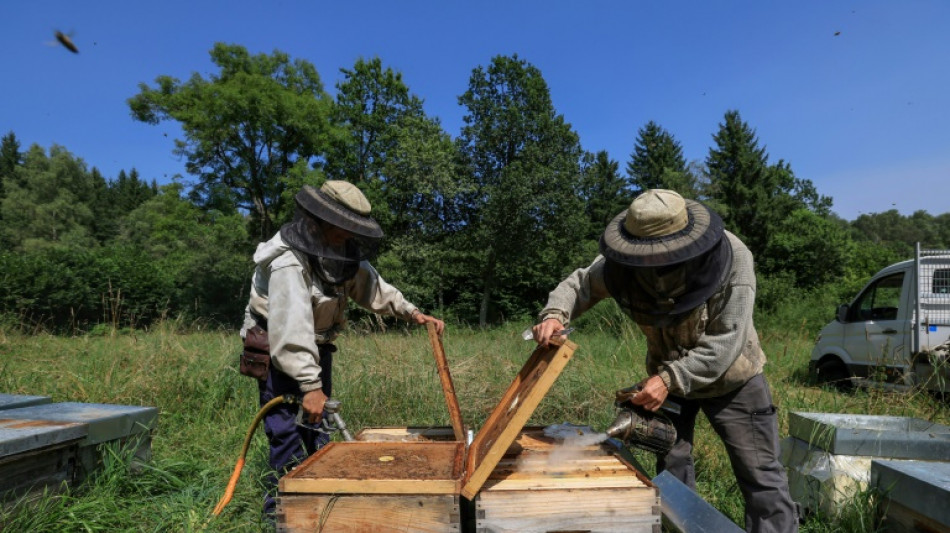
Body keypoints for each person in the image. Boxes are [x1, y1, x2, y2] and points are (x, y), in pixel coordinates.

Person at [532, 189, 797, 533]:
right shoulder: (621, 264)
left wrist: (667, 379)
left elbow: (726, 342)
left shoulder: (734, 257)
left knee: (760, 473)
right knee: (672, 466)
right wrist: (555, 314)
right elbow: (580, 283)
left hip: (733, 381)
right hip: (666, 383)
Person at [240, 180, 445, 519]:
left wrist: (412, 312)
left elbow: (373, 287)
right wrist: (311, 385)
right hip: (280, 355)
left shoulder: (341, 253)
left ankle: (324, 509)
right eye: (343, 226)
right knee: (288, 435)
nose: (348, 234)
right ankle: (281, 516)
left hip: (317, 350)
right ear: (322, 220)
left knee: (318, 430)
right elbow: (290, 331)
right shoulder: (289, 262)